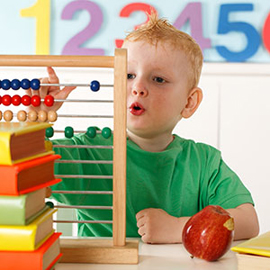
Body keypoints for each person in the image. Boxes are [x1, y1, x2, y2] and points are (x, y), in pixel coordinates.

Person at [31, 15, 259, 244]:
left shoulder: (204, 163)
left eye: (158, 79)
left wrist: (180, 228)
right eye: (129, 75)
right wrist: (37, 121)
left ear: (189, 102)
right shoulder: (90, 154)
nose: (138, 87)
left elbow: (248, 221)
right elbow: (29, 166)